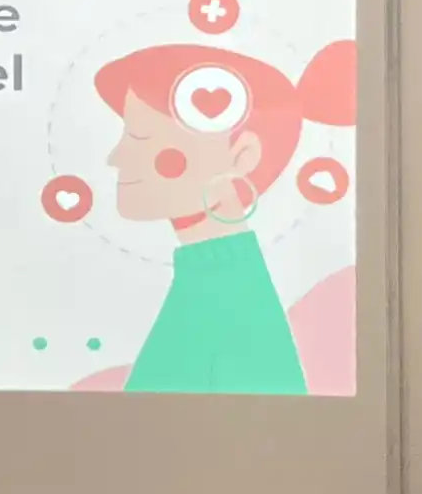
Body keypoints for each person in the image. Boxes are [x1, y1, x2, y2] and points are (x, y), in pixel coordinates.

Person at [96, 38, 355, 394]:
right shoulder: (211, 279)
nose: (116, 157)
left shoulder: (228, 297)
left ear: (241, 158)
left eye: (140, 138)